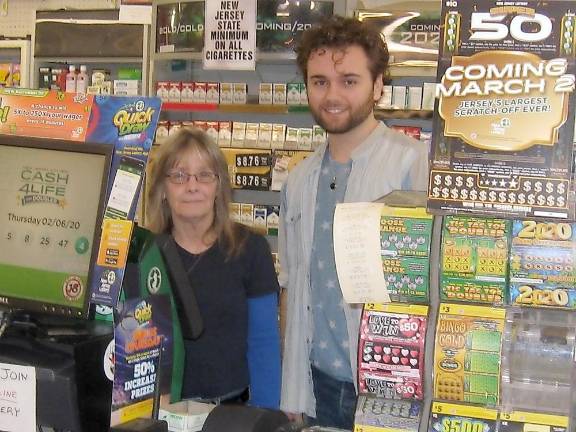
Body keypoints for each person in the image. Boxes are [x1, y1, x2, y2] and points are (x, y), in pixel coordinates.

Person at [279, 15, 428, 429]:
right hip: (317, 384)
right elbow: (292, 285)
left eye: (349, 80)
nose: (332, 95)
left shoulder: (410, 164)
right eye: (320, 81)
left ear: (378, 86)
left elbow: (427, 289)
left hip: (390, 387)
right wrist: (292, 386)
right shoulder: (298, 180)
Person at [147, 127, 281, 408]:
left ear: (219, 186)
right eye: (179, 176)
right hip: (167, 412)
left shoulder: (251, 249)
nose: (192, 186)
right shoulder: (145, 256)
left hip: (233, 411)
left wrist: (267, 418)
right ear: (162, 190)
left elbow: (264, 344)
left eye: (205, 175)